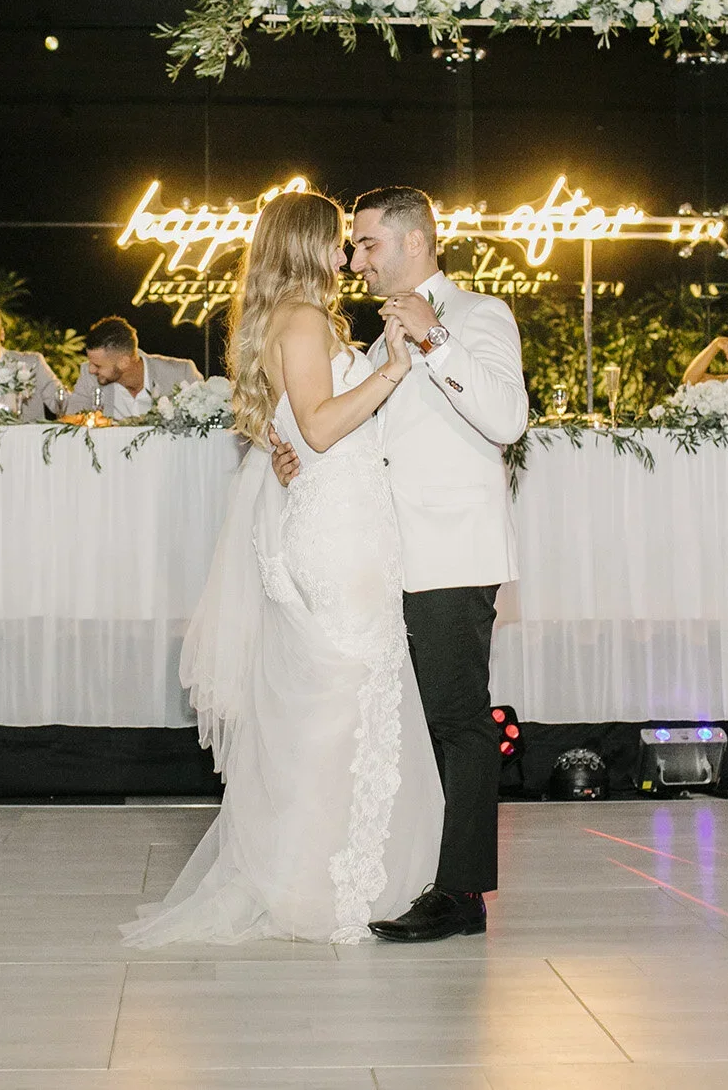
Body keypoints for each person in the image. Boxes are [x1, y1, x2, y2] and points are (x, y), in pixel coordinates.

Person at [123, 190, 442, 948]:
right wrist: (393, 369)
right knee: (343, 702)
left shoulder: (297, 319)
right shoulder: (302, 319)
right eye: (336, 242)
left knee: (340, 706)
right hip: (336, 531)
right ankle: (326, 885)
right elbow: (325, 427)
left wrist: (278, 437)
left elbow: (291, 421)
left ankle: (337, 873)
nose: (345, 255)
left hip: (345, 521)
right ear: (306, 246)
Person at [270, 185, 529, 944]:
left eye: (368, 244)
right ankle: (408, 864)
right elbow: (351, 427)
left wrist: (438, 338)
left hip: (449, 552)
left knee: (458, 717)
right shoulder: (369, 330)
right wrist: (298, 463)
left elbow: (507, 419)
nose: (354, 259)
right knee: (401, 726)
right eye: (352, 246)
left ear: (415, 241)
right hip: (375, 555)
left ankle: (461, 893)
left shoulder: (481, 317)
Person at [60, 316, 201, 420]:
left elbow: (206, 422)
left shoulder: (181, 373)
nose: (91, 369)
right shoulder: (89, 377)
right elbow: (72, 424)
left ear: (124, 362)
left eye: (97, 365)